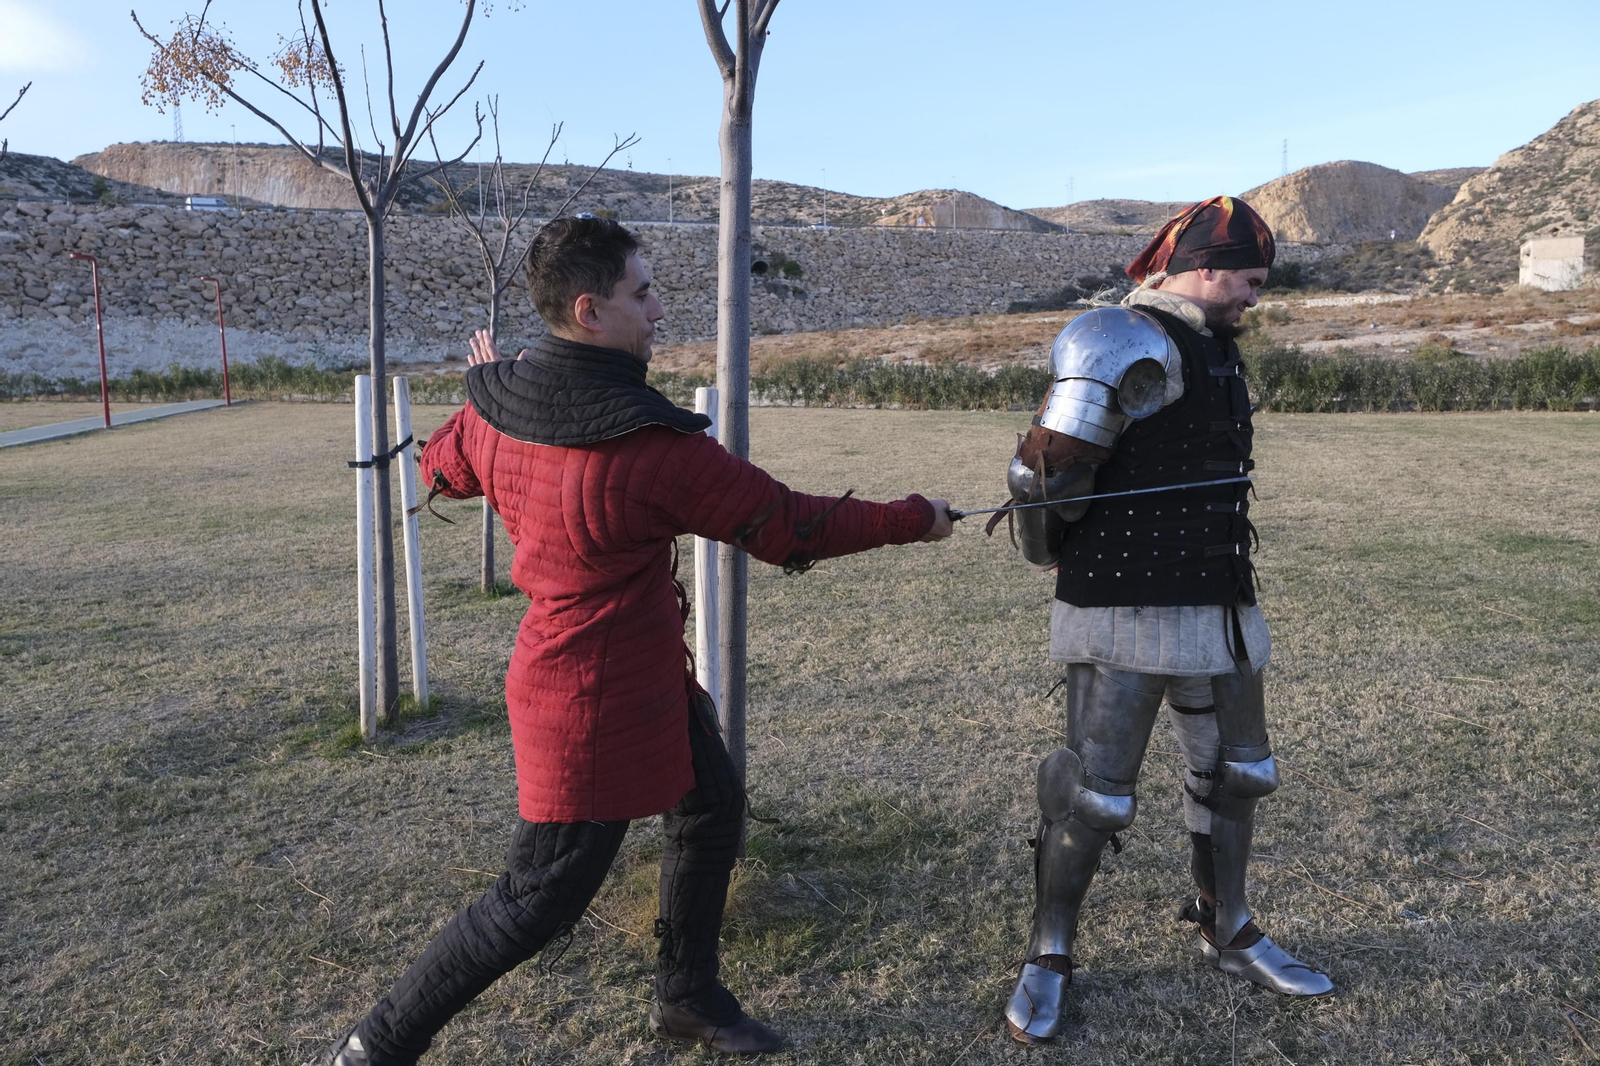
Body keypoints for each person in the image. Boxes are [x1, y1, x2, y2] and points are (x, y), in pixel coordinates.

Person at [328, 217, 953, 1064]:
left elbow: (443, 467)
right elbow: (791, 527)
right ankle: (374, 1047)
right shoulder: (653, 448)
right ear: (589, 310)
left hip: (641, 673)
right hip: (586, 702)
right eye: (643, 292)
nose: (659, 309)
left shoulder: (499, 410)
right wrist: (914, 517)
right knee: (534, 900)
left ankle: (687, 998)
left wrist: (492, 392)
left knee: (711, 805)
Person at [996, 196, 1333, 1044]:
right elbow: (1042, 473)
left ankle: (1229, 928)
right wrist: (1046, 550)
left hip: (1220, 602)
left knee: (1242, 775)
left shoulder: (1215, 346)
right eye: (1249, 281)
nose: (1254, 297)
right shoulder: (1118, 338)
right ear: (1204, 266)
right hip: (1125, 605)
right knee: (1095, 799)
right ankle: (1049, 951)